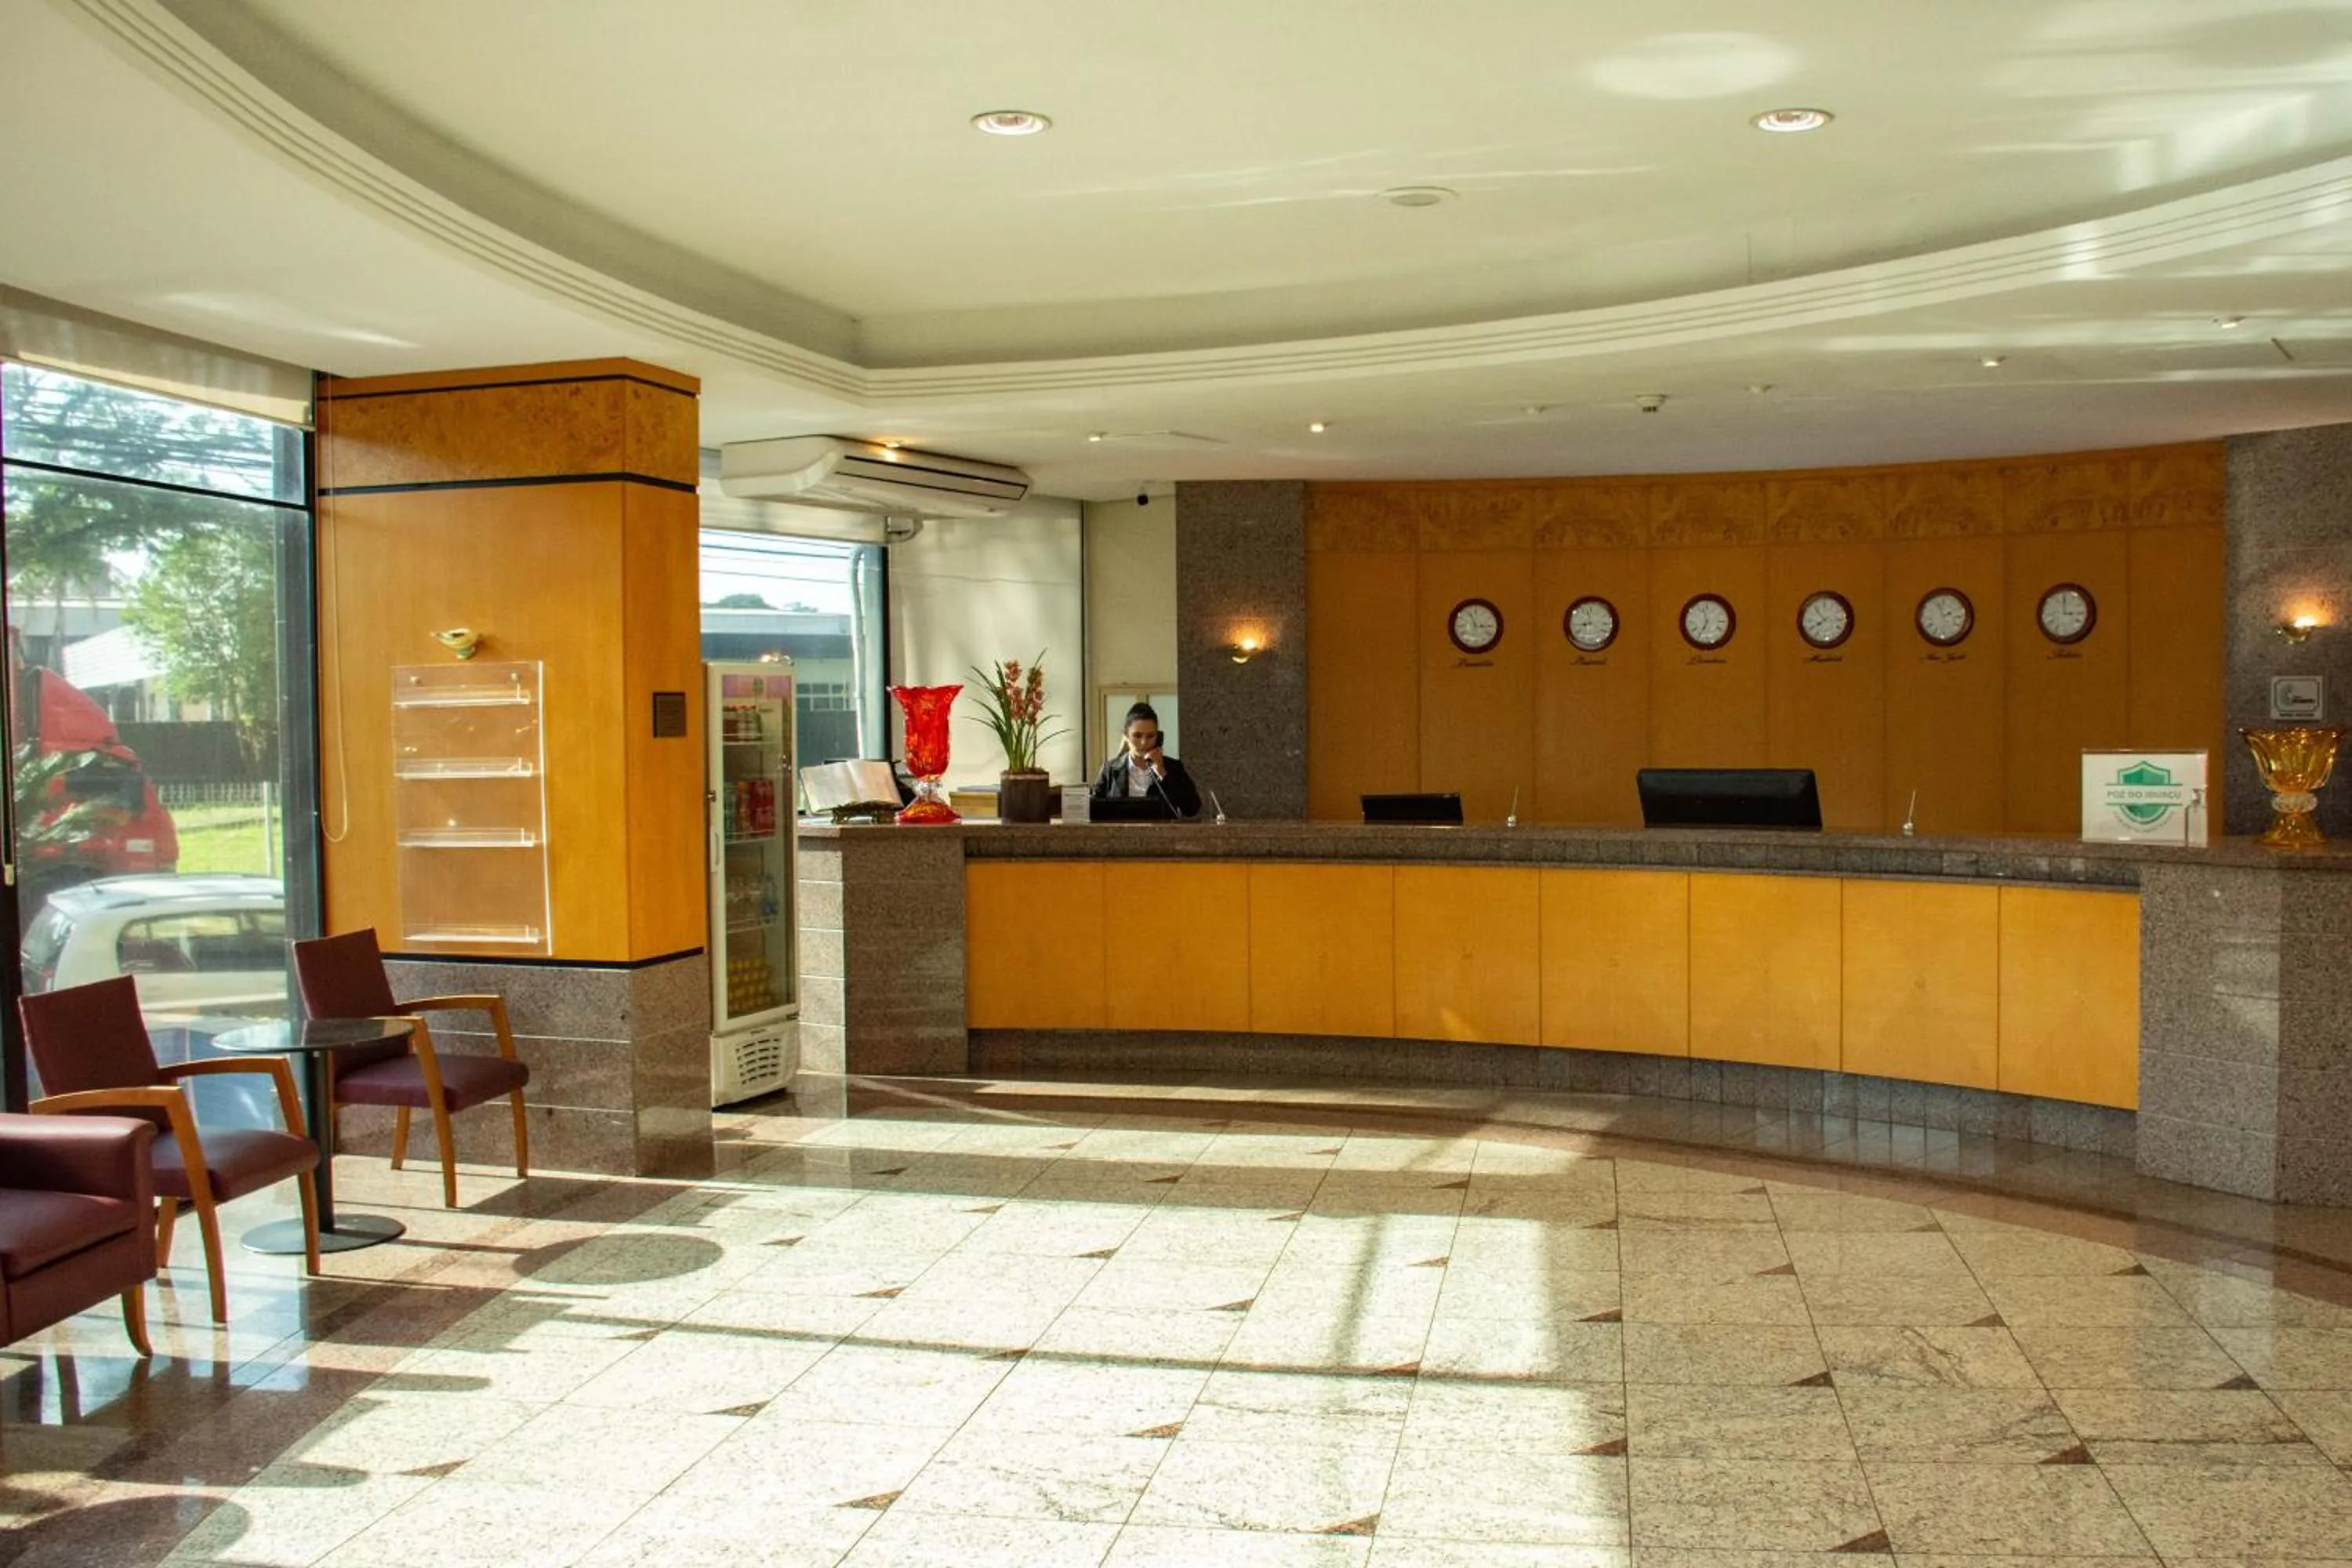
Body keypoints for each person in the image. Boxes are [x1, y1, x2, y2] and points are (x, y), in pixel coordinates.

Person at [1090, 702, 1201, 818]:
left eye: (1150, 736)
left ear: (1158, 737)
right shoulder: (1110, 769)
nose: (1144, 742)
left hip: (1162, 834)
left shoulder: (1173, 767)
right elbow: (1092, 810)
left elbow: (1191, 809)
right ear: (1126, 736)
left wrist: (1162, 773)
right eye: (1137, 736)